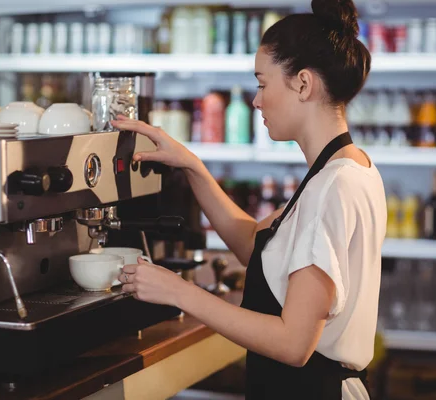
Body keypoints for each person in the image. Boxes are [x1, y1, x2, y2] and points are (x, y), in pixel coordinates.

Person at [110, 0, 386, 398]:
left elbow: (294, 344)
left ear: (303, 84)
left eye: (262, 83)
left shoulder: (332, 187)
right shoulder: (349, 169)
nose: (256, 101)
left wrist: (179, 292)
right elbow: (254, 244)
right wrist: (192, 167)